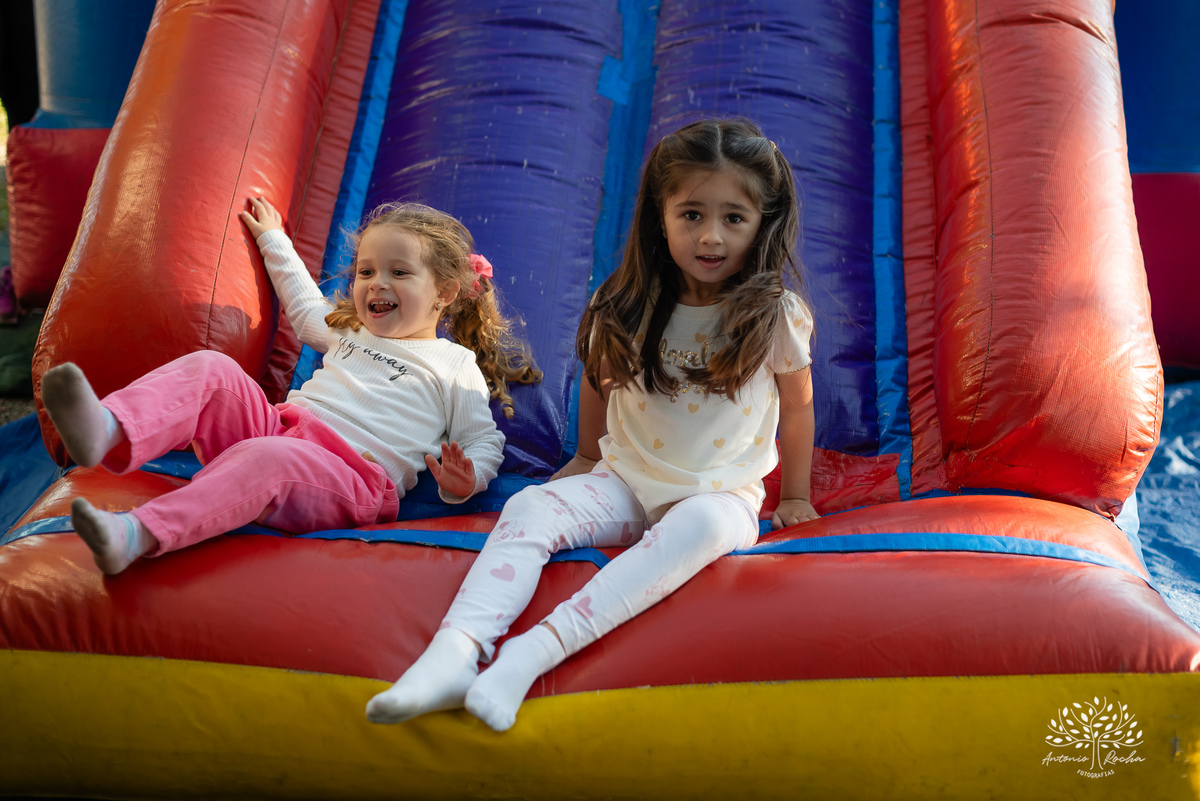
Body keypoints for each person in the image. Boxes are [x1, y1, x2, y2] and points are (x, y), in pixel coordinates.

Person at [366, 118, 818, 732]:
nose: (711, 237)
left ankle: (529, 657)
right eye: (691, 214)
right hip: (627, 478)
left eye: (734, 218)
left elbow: (796, 405)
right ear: (660, 215)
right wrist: (583, 456)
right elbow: (599, 378)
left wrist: (794, 495)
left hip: (722, 494)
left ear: (763, 221)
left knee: (701, 525)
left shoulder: (774, 315)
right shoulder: (630, 300)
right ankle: (454, 652)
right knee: (529, 508)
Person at [41, 197, 541, 576]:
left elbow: (483, 439)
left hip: (349, 476)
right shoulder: (350, 329)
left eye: (399, 272)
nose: (376, 283)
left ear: (446, 292)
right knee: (212, 369)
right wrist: (273, 238)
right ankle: (107, 428)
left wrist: (466, 479)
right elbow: (303, 306)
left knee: (267, 460)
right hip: (278, 430)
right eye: (366, 271)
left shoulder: (453, 364)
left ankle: (137, 533)